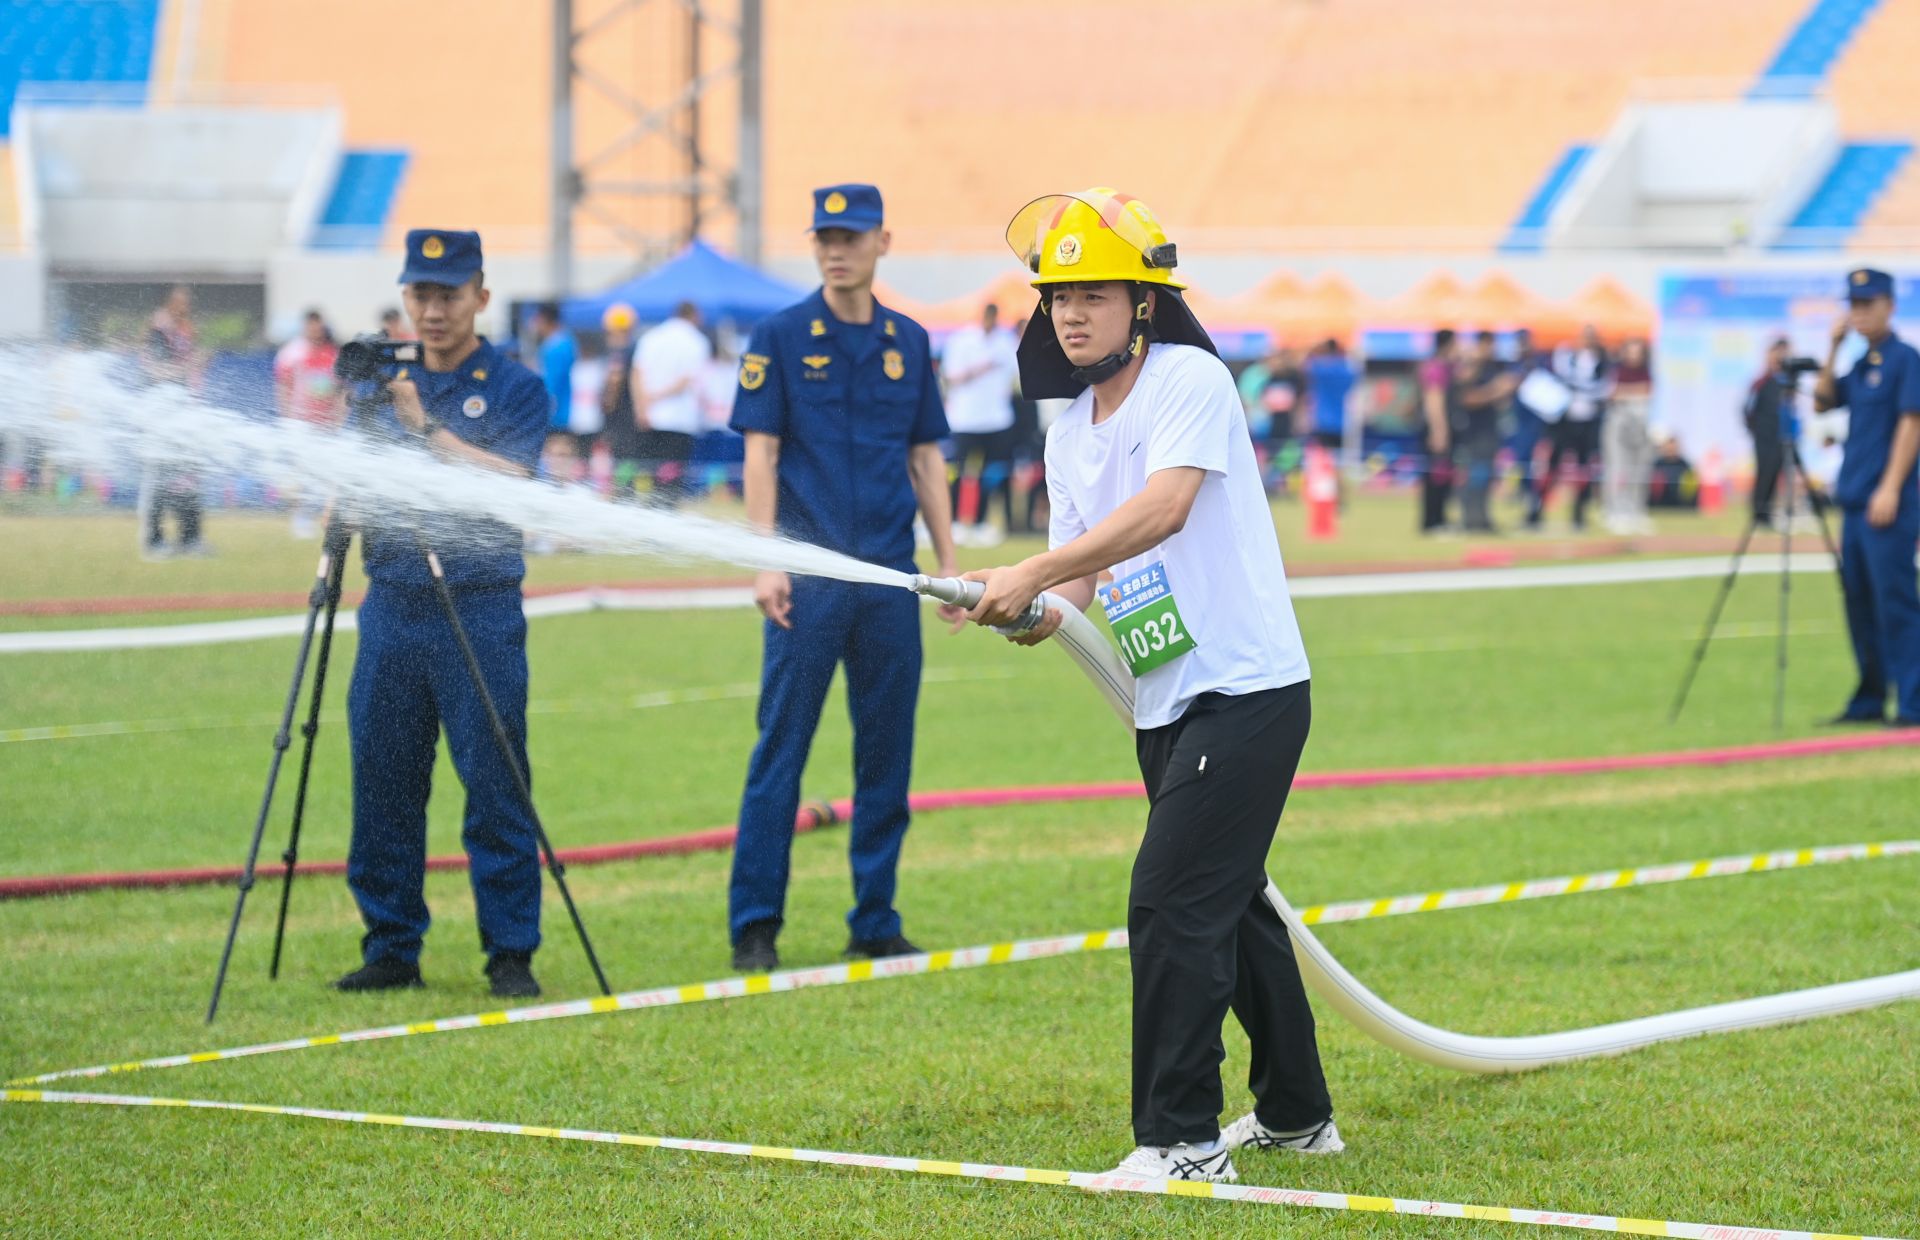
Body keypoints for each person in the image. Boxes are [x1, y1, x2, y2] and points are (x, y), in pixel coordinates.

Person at [965, 187, 1337, 1184]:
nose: (1071, 312)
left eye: (1093, 292)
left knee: (1171, 901)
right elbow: (1077, 587)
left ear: (1144, 303)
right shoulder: (1070, 430)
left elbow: (1166, 509)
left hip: (1245, 691)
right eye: (1056, 296)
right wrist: (1017, 610)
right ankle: (1299, 1115)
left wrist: (1035, 575)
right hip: (1164, 698)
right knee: (1235, 905)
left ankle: (1181, 1142)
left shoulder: (1192, 382)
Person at [727, 184, 961, 973]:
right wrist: (766, 558)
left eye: (851, 236)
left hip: (892, 579)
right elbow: (758, 453)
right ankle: (755, 925)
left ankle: (875, 916)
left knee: (887, 755)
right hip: (808, 577)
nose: (836, 248)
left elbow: (926, 459)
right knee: (780, 754)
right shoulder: (780, 335)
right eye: (825, 235)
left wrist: (951, 569)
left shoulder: (909, 340)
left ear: (882, 242)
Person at [335, 229, 555, 1000]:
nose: (432, 310)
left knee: (495, 779)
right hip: (393, 601)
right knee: (384, 778)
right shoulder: (376, 383)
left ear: (480, 298)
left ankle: (510, 952)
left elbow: (517, 484)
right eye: (420, 293)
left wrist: (424, 429)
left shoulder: (515, 385)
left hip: (480, 604)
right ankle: (391, 943)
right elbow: (347, 495)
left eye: (448, 294)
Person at [1812, 268, 1920, 726]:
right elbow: (1821, 401)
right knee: (1859, 602)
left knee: (1895, 602)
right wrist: (1833, 347)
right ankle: (1870, 696)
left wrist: (1891, 487)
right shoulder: (1861, 363)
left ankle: (1913, 701)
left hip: (1887, 502)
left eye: (1867, 304)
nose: (1859, 313)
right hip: (1855, 502)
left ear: (1889, 305)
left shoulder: (1905, 359)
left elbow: (1911, 422)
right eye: (1853, 304)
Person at [941, 301, 1021, 544]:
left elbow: (1015, 373)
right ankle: (954, 521)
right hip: (965, 419)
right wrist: (983, 368)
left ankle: (981, 522)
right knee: (958, 471)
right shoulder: (961, 340)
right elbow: (952, 377)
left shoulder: (1005, 342)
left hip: (996, 419)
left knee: (991, 473)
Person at [139, 285, 210, 557]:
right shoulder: (159, 328)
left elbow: (186, 367)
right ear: (169, 302)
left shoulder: (186, 328)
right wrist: (187, 368)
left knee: (189, 475)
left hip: (184, 413)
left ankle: (189, 537)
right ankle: (154, 541)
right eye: (182, 301)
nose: (187, 305)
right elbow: (154, 370)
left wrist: (196, 364)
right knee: (159, 478)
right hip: (161, 415)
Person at [1529, 324, 1611, 531]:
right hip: (1563, 421)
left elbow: (1601, 389)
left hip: (1587, 422)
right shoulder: (1565, 355)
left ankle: (1579, 514)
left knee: (1585, 468)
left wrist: (1579, 388)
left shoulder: (1602, 362)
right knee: (1552, 467)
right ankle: (1536, 511)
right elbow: (1558, 378)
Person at [273, 309, 344, 538]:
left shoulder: (333, 353)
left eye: (319, 325)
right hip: (300, 423)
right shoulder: (292, 353)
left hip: (326, 424)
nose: (316, 329)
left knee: (323, 474)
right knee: (300, 474)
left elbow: (342, 390)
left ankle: (322, 516)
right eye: (312, 325)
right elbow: (283, 386)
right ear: (305, 326)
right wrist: (286, 418)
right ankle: (300, 520)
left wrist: (338, 418)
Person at [634, 301, 712, 505]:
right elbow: (687, 380)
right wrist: (658, 396)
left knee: (649, 475)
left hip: (650, 416)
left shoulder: (651, 337)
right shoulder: (697, 341)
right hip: (679, 419)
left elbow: (637, 373)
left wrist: (643, 405)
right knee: (671, 479)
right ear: (694, 315)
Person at [1455, 332, 1516, 533]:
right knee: (1475, 476)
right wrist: (1495, 391)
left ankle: (1482, 519)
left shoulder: (1494, 368)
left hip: (1491, 431)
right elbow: (1467, 399)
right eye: (1487, 346)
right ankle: (1470, 519)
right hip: (1474, 433)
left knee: (1487, 476)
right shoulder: (1471, 370)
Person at [1602, 337, 1655, 534]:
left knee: (1639, 470)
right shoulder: (1616, 371)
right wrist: (1634, 392)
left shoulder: (1648, 372)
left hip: (1641, 425)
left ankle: (1636, 511)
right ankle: (1615, 512)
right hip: (1619, 423)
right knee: (1617, 469)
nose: (1634, 356)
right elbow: (1612, 393)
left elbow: (1649, 391)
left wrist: (1628, 392)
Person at [1745, 337, 1794, 529]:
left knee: (1775, 474)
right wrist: (1756, 430)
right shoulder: (1762, 381)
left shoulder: (1786, 381)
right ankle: (1759, 515)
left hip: (1782, 436)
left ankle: (1768, 514)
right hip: (1764, 436)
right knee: (1764, 474)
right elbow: (1748, 409)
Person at [598, 303, 644, 497]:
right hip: (629, 415)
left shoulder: (620, 351)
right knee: (628, 460)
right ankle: (626, 493)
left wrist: (606, 403)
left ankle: (624, 495)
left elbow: (615, 381)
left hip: (621, 417)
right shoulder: (634, 348)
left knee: (623, 459)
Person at [529, 303, 579, 482]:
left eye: (536, 320)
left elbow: (550, 386)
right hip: (560, 413)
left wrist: (538, 413)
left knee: (555, 460)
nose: (533, 324)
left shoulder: (556, 346)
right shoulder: (564, 341)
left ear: (544, 320)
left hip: (555, 416)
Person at [1418, 329, 1456, 533]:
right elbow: (1434, 401)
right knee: (1435, 477)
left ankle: (1438, 519)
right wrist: (1439, 430)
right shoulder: (1437, 367)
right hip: (1436, 429)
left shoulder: (1440, 366)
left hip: (1437, 427)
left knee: (1443, 476)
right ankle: (1433, 521)